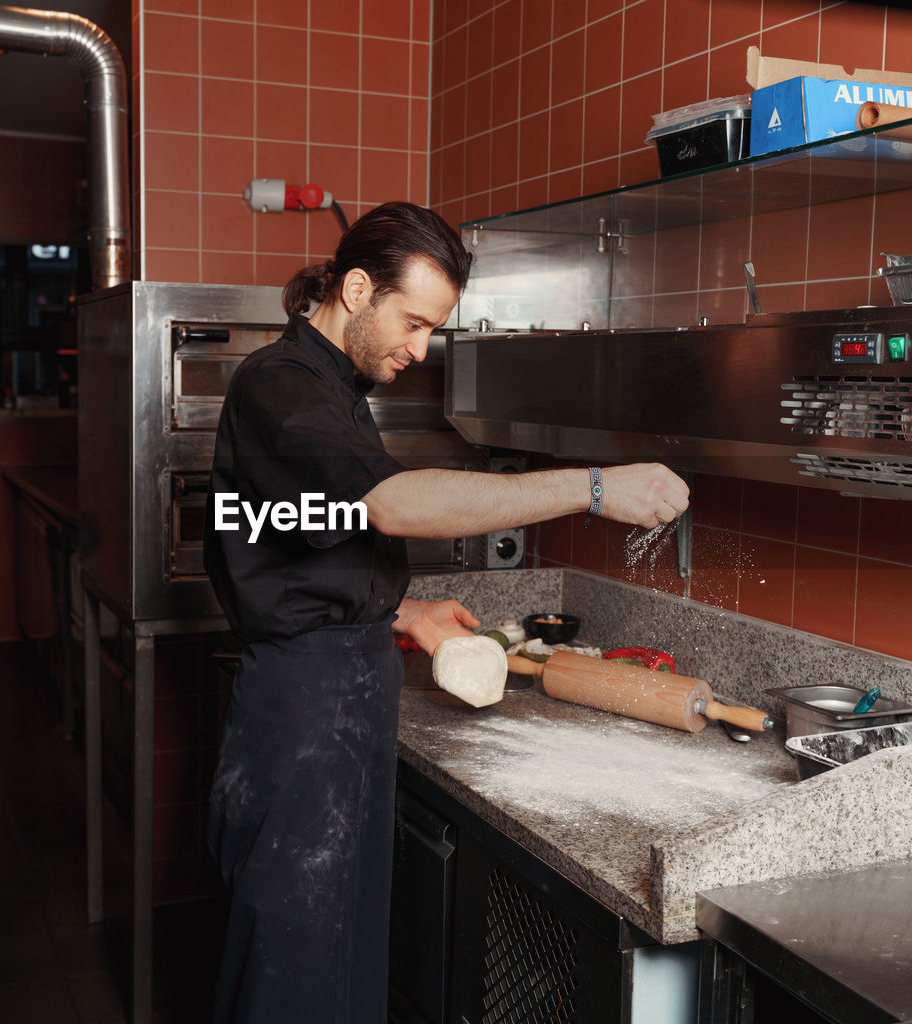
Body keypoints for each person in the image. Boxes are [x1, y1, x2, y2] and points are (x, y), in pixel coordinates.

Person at [203, 201, 689, 1023]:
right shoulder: (281, 384)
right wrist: (595, 488)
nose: (419, 349)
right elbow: (389, 506)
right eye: (415, 322)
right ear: (357, 288)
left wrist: (401, 611)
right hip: (301, 720)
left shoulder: (334, 387)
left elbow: (299, 531)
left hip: (341, 697)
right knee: (292, 979)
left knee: (334, 967)